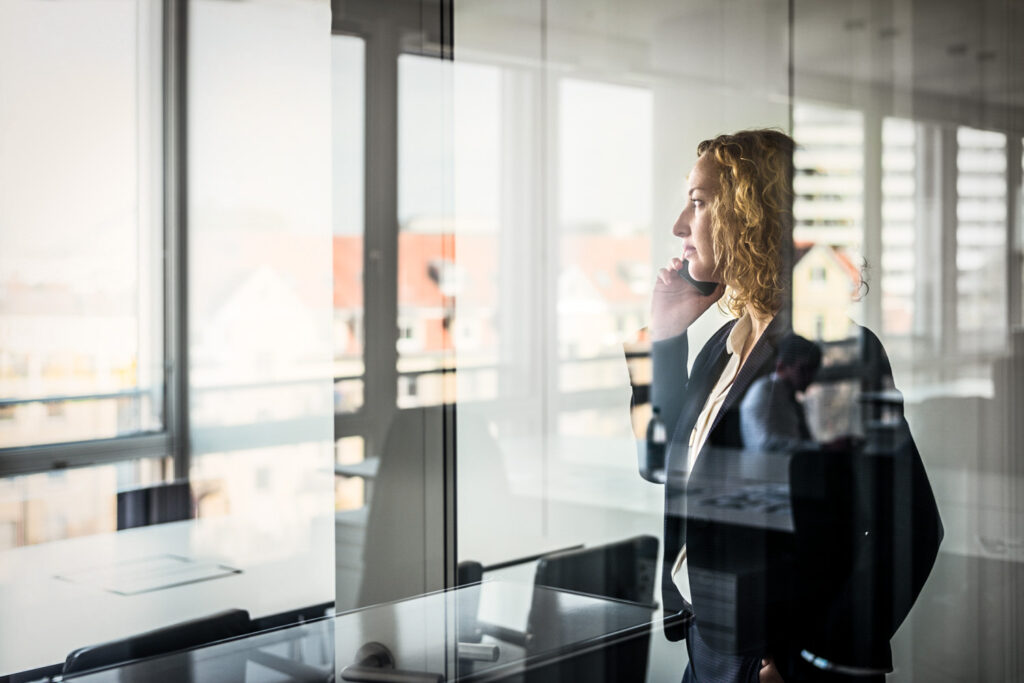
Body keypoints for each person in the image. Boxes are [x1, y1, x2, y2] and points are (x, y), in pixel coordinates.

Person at [640, 129, 942, 682]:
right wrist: (664, 340)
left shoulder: (831, 354)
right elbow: (658, 465)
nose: (680, 225)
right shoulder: (721, 346)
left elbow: (912, 528)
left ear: (750, 215)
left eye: (700, 202)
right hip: (708, 647)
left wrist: (813, 659)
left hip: (778, 665)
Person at [740, 334, 822, 454]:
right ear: (781, 366)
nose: (810, 377)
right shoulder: (764, 392)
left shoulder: (790, 398)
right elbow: (767, 445)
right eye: (804, 369)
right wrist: (822, 448)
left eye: (813, 370)